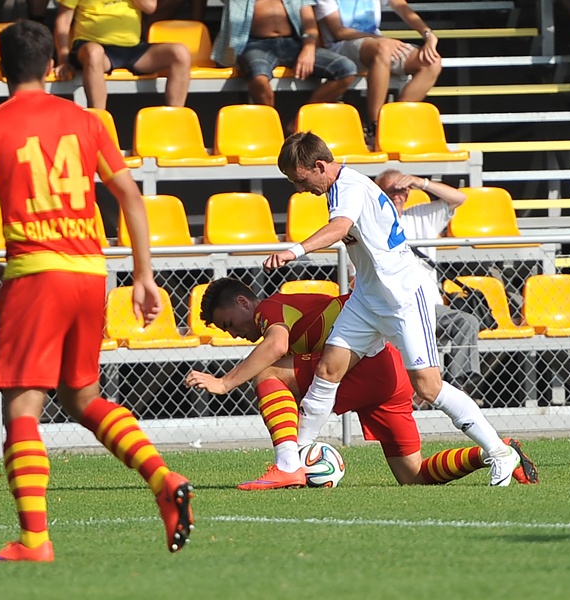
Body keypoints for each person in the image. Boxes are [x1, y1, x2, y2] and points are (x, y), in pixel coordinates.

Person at [0, 20, 193, 562]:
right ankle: (163, 479)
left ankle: (35, 540)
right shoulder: (86, 120)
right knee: (81, 396)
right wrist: (142, 275)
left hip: (36, 273)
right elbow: (131, 198)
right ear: (51, 68)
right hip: (89, 273)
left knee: (23, 403)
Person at [263, 132, 520, 486]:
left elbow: (340, 228)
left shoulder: (348, 187)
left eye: (300, 179)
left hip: (401, 298)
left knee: (428, 388)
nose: (298, 188)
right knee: (327, 370)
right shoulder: (340, 186)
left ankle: (499, 451)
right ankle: (295, 460)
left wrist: (294, 251)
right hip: (367, 299)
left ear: (319, 166)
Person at [184, 278, 537, 488]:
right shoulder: (277, 313)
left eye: (229, 322)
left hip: (368, 366)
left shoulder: (270, 308)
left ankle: (288, 464)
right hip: (387, 373)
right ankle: (496, 452)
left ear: (244, 302)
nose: (234, 333)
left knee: (267, 371)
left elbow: (275, 345)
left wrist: (224, 382)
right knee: (412, 476)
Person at [373, 169, 484, 398]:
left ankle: (455, 389)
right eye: (390, 190)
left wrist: (419, 182)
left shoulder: (420, 216)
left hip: (430, 308)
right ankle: (410, 395)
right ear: (379, 193)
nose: (397, 194)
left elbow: (459, 199)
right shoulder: (370, 227)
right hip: (393, 310)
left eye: (402, 189)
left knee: (467, 322)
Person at [211, 0, 358, 131]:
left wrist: (308, 48)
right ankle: (272, 129)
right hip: (255, 44)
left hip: (294, 43)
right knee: (259, 78)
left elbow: (310, 25)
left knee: (346, 69)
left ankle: (300, 121)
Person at [313, 0, 441, 139]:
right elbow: (340, 32)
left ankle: (392, 123)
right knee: (383, 49)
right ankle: (376, 127)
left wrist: (428, 34)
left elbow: (401, 6)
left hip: (375, 43)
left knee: (432, 62)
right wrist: (381, 40)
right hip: (341, 47)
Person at [53, 0, 192, 110]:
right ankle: (100, 119)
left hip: (133, 49)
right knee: (94, 52)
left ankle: (175, 117)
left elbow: (150, 6)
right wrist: (64, 60)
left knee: (180, 53)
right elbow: (63, 22)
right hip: (96, 49)